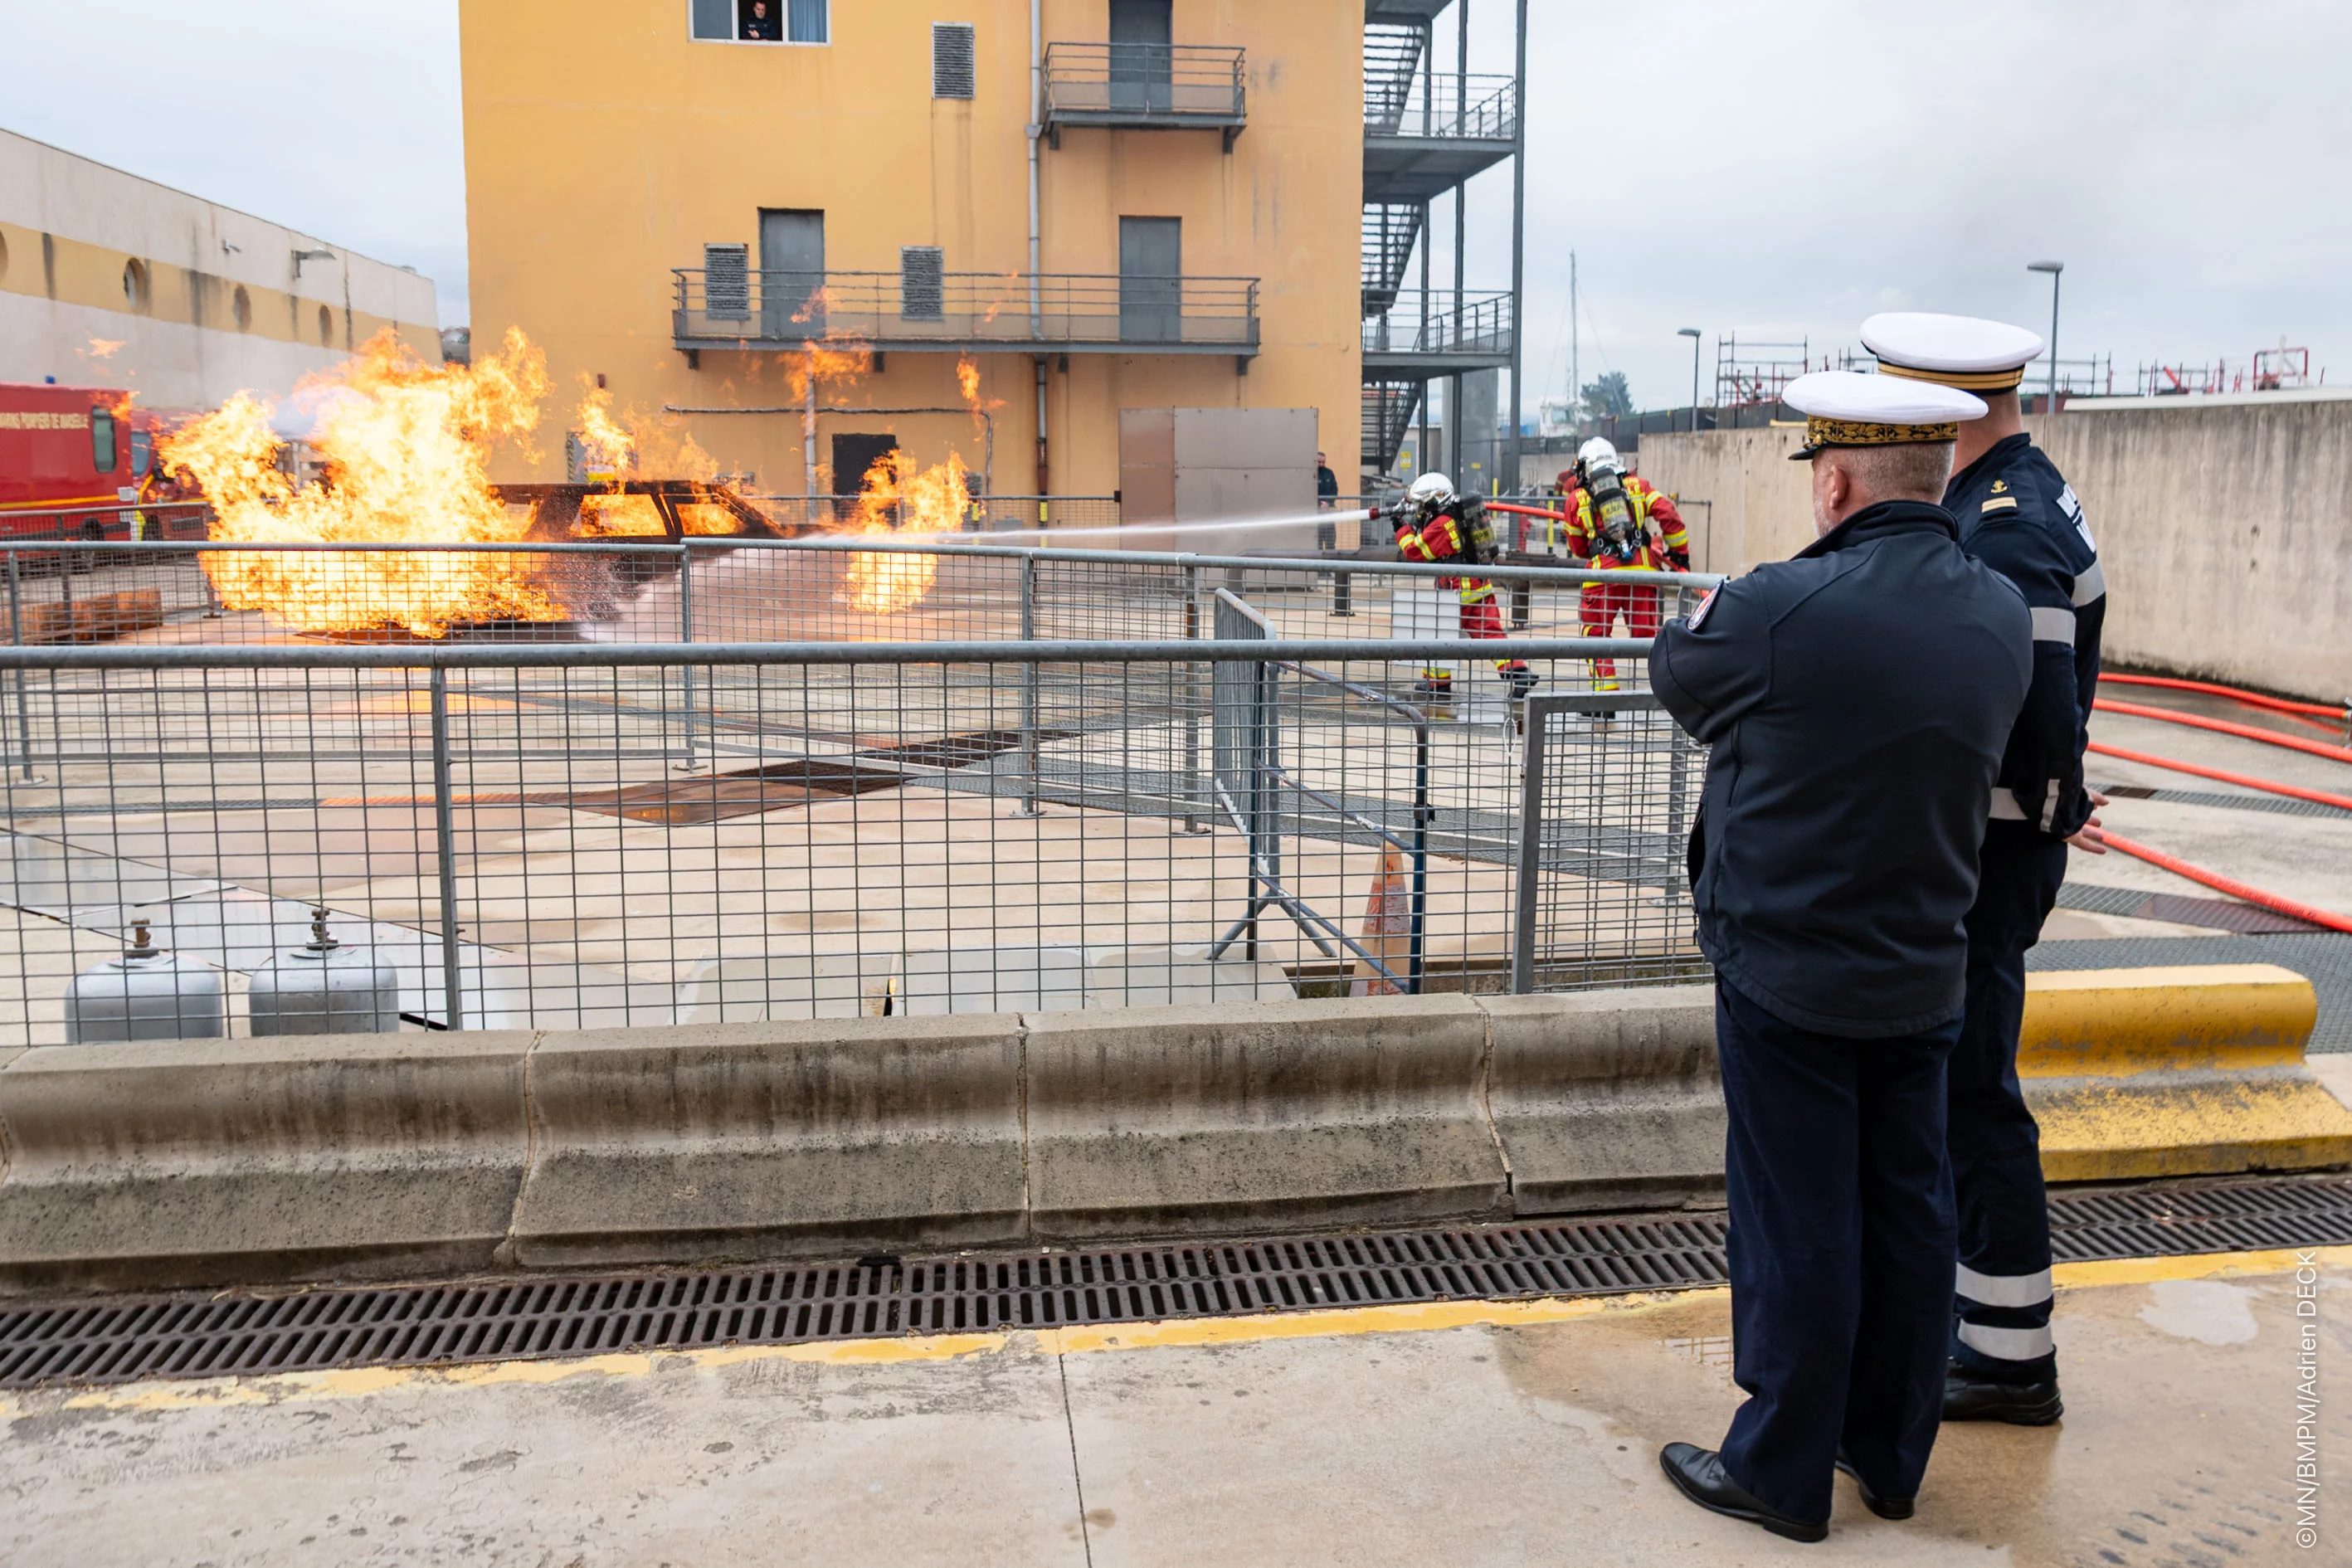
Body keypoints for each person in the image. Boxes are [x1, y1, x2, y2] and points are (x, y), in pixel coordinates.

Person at [1649, 370, 2032, 1541]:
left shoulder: (1781, 605)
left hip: (1787, 970)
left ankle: (1778, 1466)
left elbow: (1679, 670)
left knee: (1796, 1216)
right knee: (1906, 1208)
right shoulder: (1997, 610)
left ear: (1832, 479)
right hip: (1924, 963)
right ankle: (1890, 1452)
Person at [1862, 312, 2111, 1426]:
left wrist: (2033, 805)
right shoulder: (2019, 492)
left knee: (1972, 1096)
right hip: (1994, 845)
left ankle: (2008, 1354)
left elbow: (2038, 705)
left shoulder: (2002, 524)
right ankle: (1985, 1327)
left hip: (1984, 851)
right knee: (1962, 1087)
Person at [1556, 438, 1691, 691]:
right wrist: (1679, 553)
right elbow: (1669, 513)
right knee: (1649, 637)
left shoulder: (1576, 498)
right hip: (1642, 573)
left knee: (1595, 636)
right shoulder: (1638, 486)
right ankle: (1672, 689)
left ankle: (1605, 694)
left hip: (1602, 577)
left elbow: (1578, 547)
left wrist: (1598, 548)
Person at [1388, 472, 1536, 699]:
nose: (1420, 511)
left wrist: (1400, 528)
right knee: (1490, 635)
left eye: (1422, 505)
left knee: (1437, 634)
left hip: (1456, 591)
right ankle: (1519, 673)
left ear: (1433, 501)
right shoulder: (1456, 515)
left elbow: (1415, 551)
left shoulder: (1441, 524)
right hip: (1478, 585)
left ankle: (1437, 684)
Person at [1315, 450, 1341, 553]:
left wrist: (1328, 503)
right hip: (1316, 514)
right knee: (1317, 543)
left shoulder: (1329, 473)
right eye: (1319, 462)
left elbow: (1334, 489)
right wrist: (1319, 504)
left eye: (1323, 462)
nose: (1321, 464)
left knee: (1330, 541)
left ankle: (1330, 565)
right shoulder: (1312, 474)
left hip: (1328, 513)